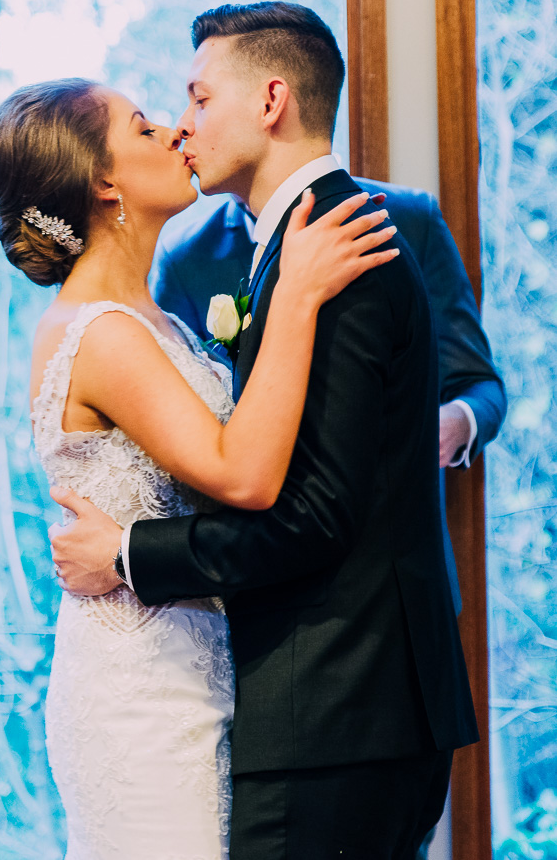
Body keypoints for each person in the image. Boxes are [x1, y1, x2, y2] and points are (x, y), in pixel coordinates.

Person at [50, 2, 480, 859]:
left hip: (338, 708)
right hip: (330, 709)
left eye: (200, 100)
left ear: (272, 99)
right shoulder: (291, 250)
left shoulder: (338, 247)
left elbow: (313, 515)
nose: (184, 127)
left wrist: (129, 556)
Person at [0, 76, 398, 860]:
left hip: (195, 670)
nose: (175, 132)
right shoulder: (100, 331)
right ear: (105, 184)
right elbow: (242, 477)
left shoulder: (156, 319)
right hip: (141, 694)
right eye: (142, 129)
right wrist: (300, 297)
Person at [149, 185, 507, 615]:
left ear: (270, 112)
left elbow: (481, 384)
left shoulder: (410, 218)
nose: (186, 126)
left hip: (401, 581)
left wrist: (455, 422)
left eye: (202, 109)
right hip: (265, 578)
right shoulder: (187, 256)